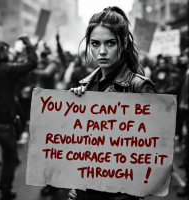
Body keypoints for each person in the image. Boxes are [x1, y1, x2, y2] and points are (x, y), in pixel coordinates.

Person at [69, 6, 155, 200]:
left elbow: (148, 152)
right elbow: (79, 146)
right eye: (95, 44)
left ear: (123, 43)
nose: (101, 52)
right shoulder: (85, 85)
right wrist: (73, 109)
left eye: (109, 43)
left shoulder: (139, 87)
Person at [0, 35, 37, 200]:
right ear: (1, 54)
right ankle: (5, 191)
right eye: (6, 50)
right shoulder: (6, 70)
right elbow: (32, 64)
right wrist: (29, 45)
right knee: (10, 159)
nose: (9, 53)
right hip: (5, 124)